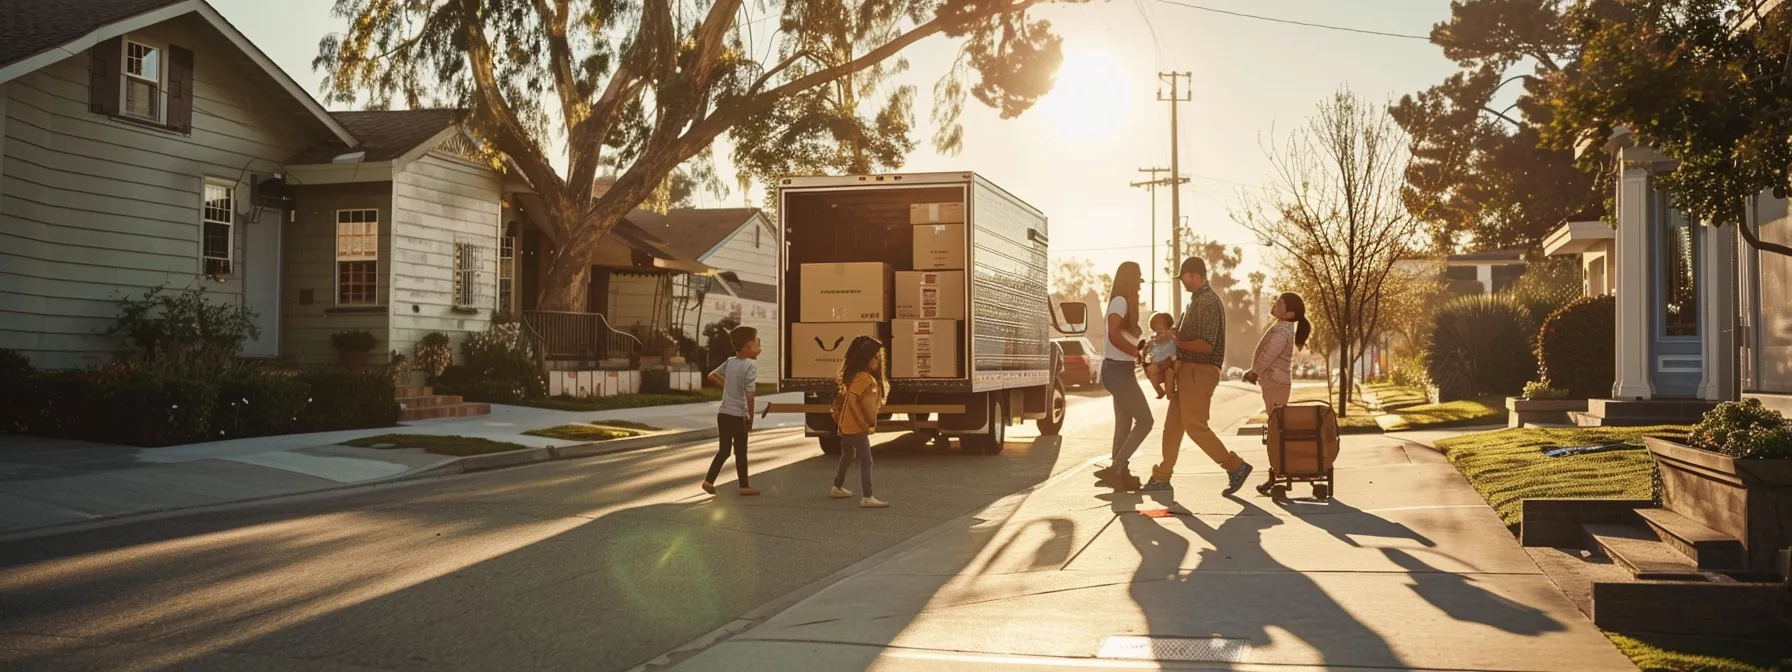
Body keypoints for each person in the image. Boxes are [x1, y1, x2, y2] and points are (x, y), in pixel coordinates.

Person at [1147, 256, 1255, 494]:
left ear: (1194, 276)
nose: (1183, 282)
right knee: (1173, 426)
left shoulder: (1206, 302)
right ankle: (1162, 476)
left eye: (1184, 278)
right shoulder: (1196, 301)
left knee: (1195, 425)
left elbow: (1206, 345)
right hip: (1188, 370)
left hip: (1200, 371)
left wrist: (1176, 340)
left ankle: (1234, 466)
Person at [1092, 262, 1150, 492]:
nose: (1138, 288)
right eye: (1137, 282)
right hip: (1117, 370)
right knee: (1146, 421)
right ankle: (1117, 466)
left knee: (1124, 425)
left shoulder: (1123, 303)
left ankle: (1119, 476)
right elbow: (1115, 335)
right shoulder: (1120, 302)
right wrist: (1136, 353)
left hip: (1121, 370)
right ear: (1129, 281)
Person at [830, 335, 890, 508]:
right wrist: (863, 424)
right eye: (875, 357)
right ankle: (867, 496)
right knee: (867, 460)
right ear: (866, 358)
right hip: (855, 427)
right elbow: (852, 400)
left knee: (847, 455)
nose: (878, 361)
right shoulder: (864, 378)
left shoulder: (855, 376)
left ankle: (837, 486)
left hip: (845, 426)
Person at [702, 326, 761, 496]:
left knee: (724, 451)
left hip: (723, 414)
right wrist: (751, 415)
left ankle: (708, 481)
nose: (758, 346)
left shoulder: (730, 362)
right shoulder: (750, 366)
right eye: (756, 343)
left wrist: (726, 386)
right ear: (747, 347)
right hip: (738, 415)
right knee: (741, 451)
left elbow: (712, 375)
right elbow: (750, 394)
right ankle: (744, 486)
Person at [1244, 292, 1311, 414]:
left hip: (1275, 382)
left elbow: (1269, 354)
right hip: (1275, 381)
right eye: (1276, 300)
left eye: (1280, 303)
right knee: (1276, 420)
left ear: (1290, 314)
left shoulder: (1282, 332)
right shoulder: (1282, 327)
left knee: (1276, 421)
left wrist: (1254, 372)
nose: (1275, 303)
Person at [1140, 312, 1179, 399]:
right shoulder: (1153, 337)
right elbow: (1148, 348)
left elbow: (1164, 339)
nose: (1159, 327)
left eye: (1161, 324)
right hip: (1157, 361)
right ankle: (1160, 391)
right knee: (1150, 373)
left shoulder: (1170, 334)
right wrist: (1144, 355)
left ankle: (1170, 393)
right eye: (1156, 325)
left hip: (1170, 361)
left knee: (1170, 373)